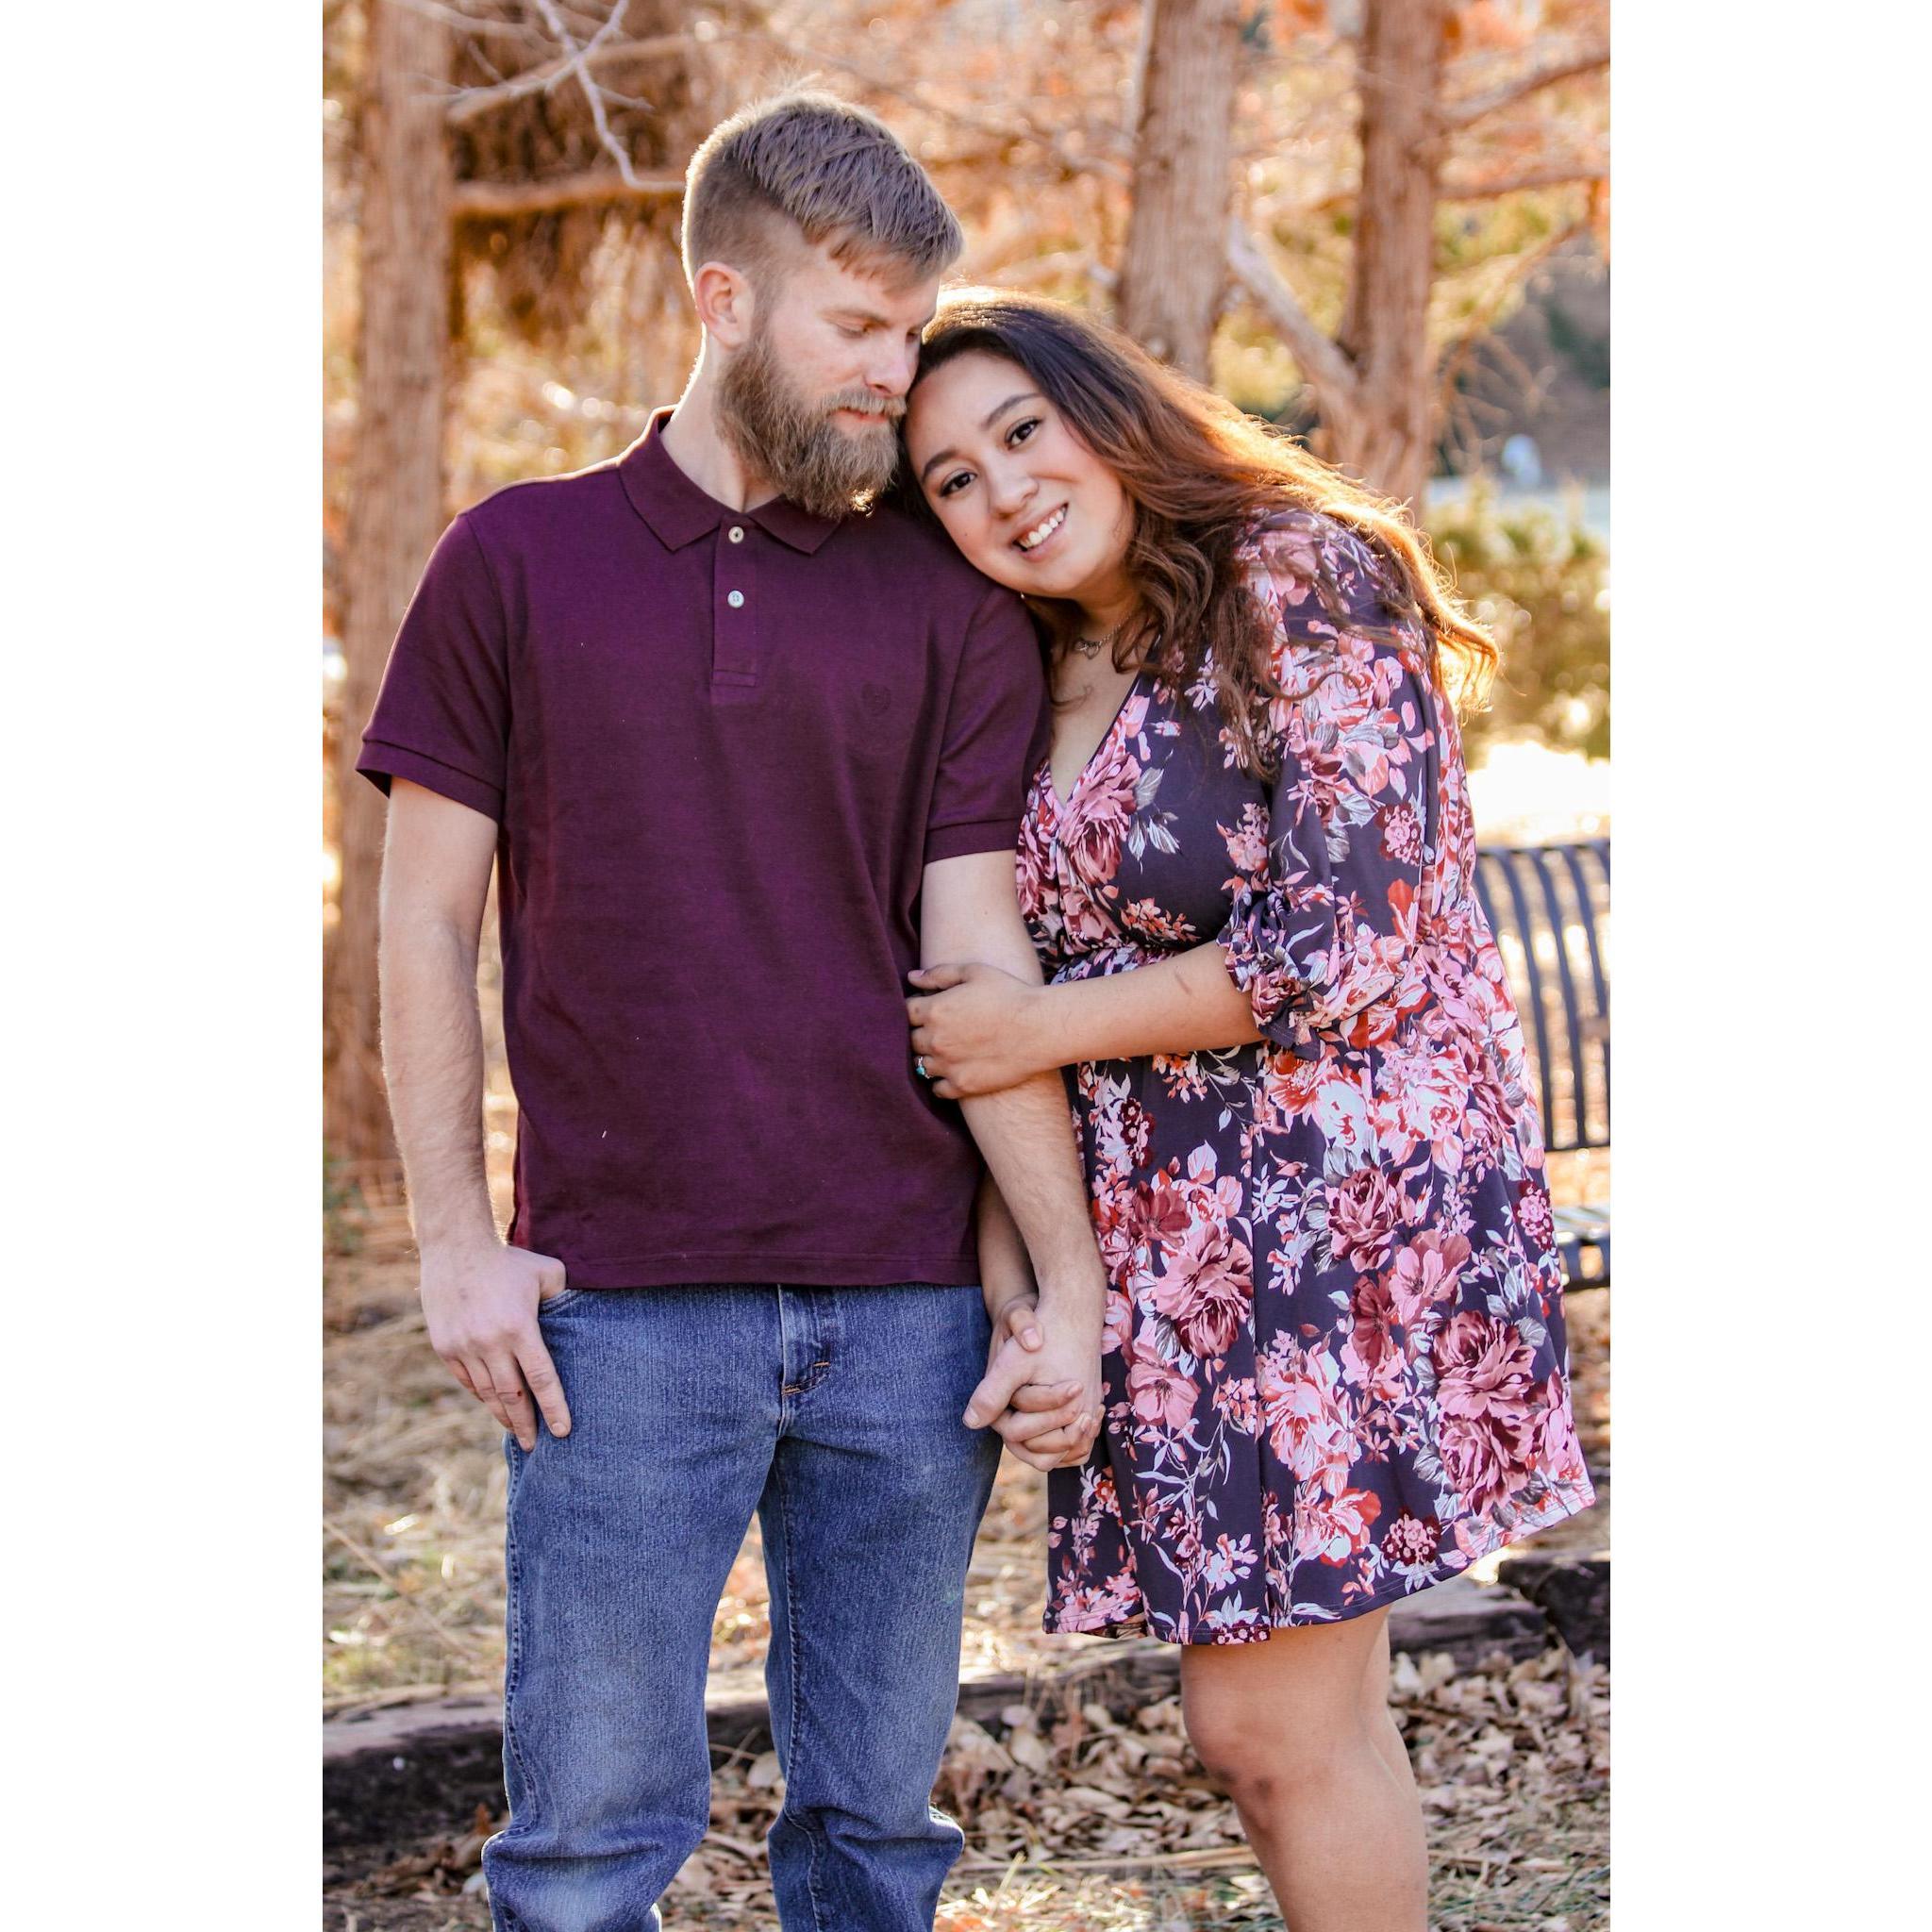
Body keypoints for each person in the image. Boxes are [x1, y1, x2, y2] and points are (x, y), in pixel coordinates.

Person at [355, 100, 1107, 1932]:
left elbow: (978, 958)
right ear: (724, 299)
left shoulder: (948, 596)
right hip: (616, 1315)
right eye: (858, 327)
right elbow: (423, 918)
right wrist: (453, 1242)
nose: (894, 375)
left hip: (909, 1314)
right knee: (584, 1855)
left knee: (876, 1848)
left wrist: (1045, 1275)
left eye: (910, 328)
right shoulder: (513, 561)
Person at [898, 291, 1598, 1932]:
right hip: (1177, 1258)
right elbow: (1003, 1009)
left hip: (1339, 1221)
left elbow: (1351, 936)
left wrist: (1035, 1029)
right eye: (951, 481)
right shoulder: (1031, 662)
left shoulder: (1291, 576)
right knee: (1287, 1725)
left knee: (1266, 1725)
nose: (1004, 492)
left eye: (1021, 432)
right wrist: (1034, 1286)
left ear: (1104, 411)